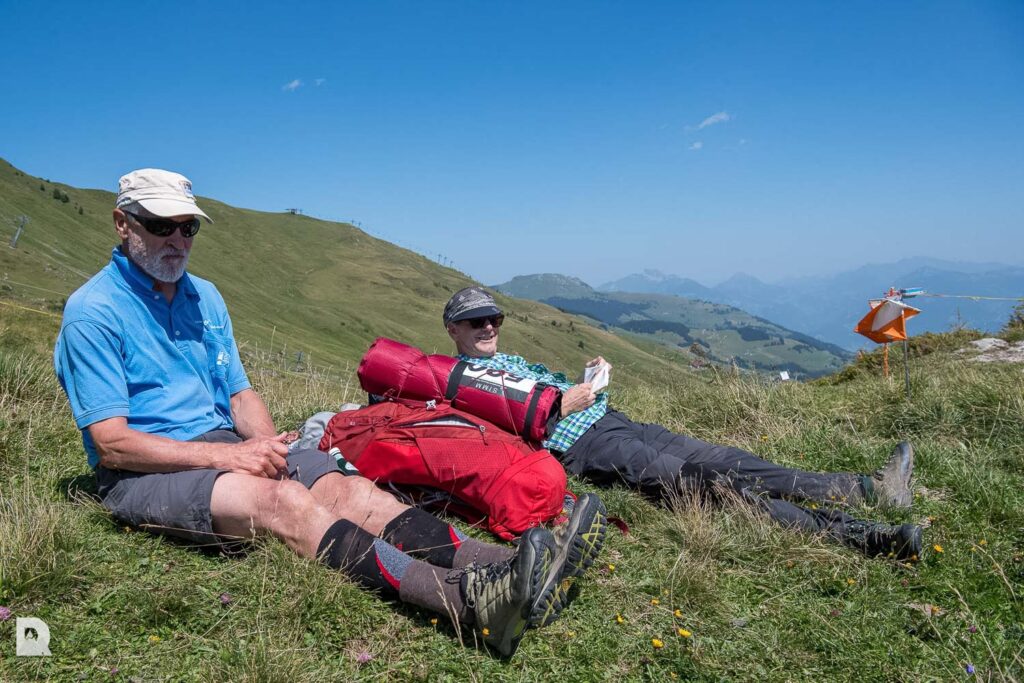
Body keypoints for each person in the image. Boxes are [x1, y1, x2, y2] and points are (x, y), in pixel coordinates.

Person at [53, 170, 593, 657]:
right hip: (141, 471)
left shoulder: (204, 296)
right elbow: (112, 444)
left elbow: (240, 395)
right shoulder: (93, 312)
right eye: (159, 225)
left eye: (187, 228)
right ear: (123, 223)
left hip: (223, 444)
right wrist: (235, 457)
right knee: (283, 500)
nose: (176, 240)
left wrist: (271, 448)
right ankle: (465, 602)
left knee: (351, 490)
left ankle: (505, 566)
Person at [443, 287, 924, 560]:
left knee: (728, 458)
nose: (489, 326)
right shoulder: (458, 382)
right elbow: (507, 432)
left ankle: (866, 489)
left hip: (613, 420)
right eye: (475, 322)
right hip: (585, 447)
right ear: (453, 331)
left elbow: (547, 395)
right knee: (707, 483)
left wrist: (587, 384)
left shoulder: (512, 358)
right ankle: (861, 535)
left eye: (494, 317)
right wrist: (565, 404)